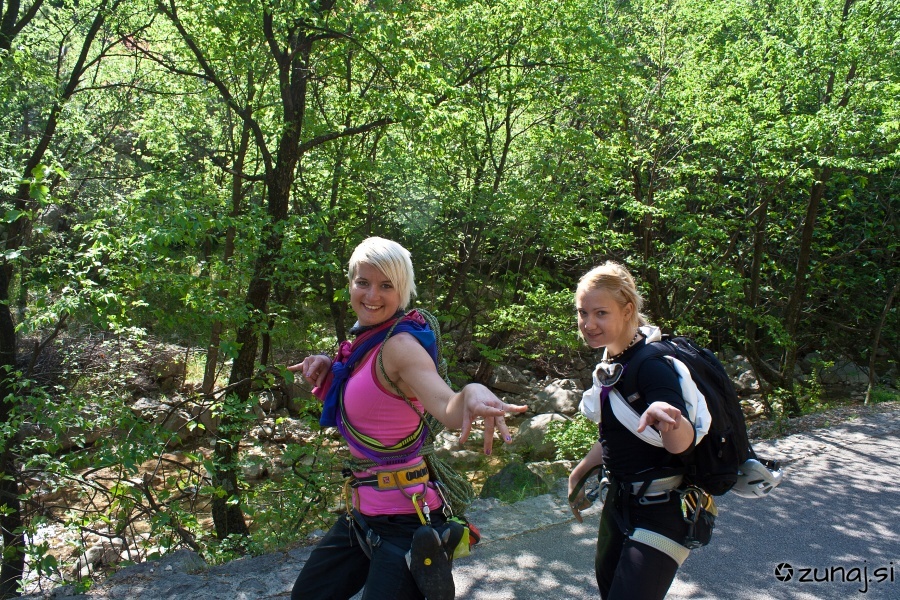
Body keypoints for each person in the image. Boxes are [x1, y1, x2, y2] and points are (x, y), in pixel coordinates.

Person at [289, 236, 527, 600]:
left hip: (405, 520)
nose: (372, 295)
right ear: (350, 284)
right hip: (363, 513)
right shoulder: (364, 342)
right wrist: (328, 363)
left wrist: (472, 392)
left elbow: (446, 406)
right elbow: (366, 385)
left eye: (387, 285)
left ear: (403, 291)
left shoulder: (400, 347)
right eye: (363, 282)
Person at [567, 261, 702, 600]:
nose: (588, 324)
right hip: (619, 504)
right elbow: (617, 437)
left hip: (662, 511)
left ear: (627, 311)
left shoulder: (651, 365)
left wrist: (669, 419)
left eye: (601, 313)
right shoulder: (612, 364)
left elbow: (682, 443)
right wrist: (580, 472)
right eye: (583, 313)